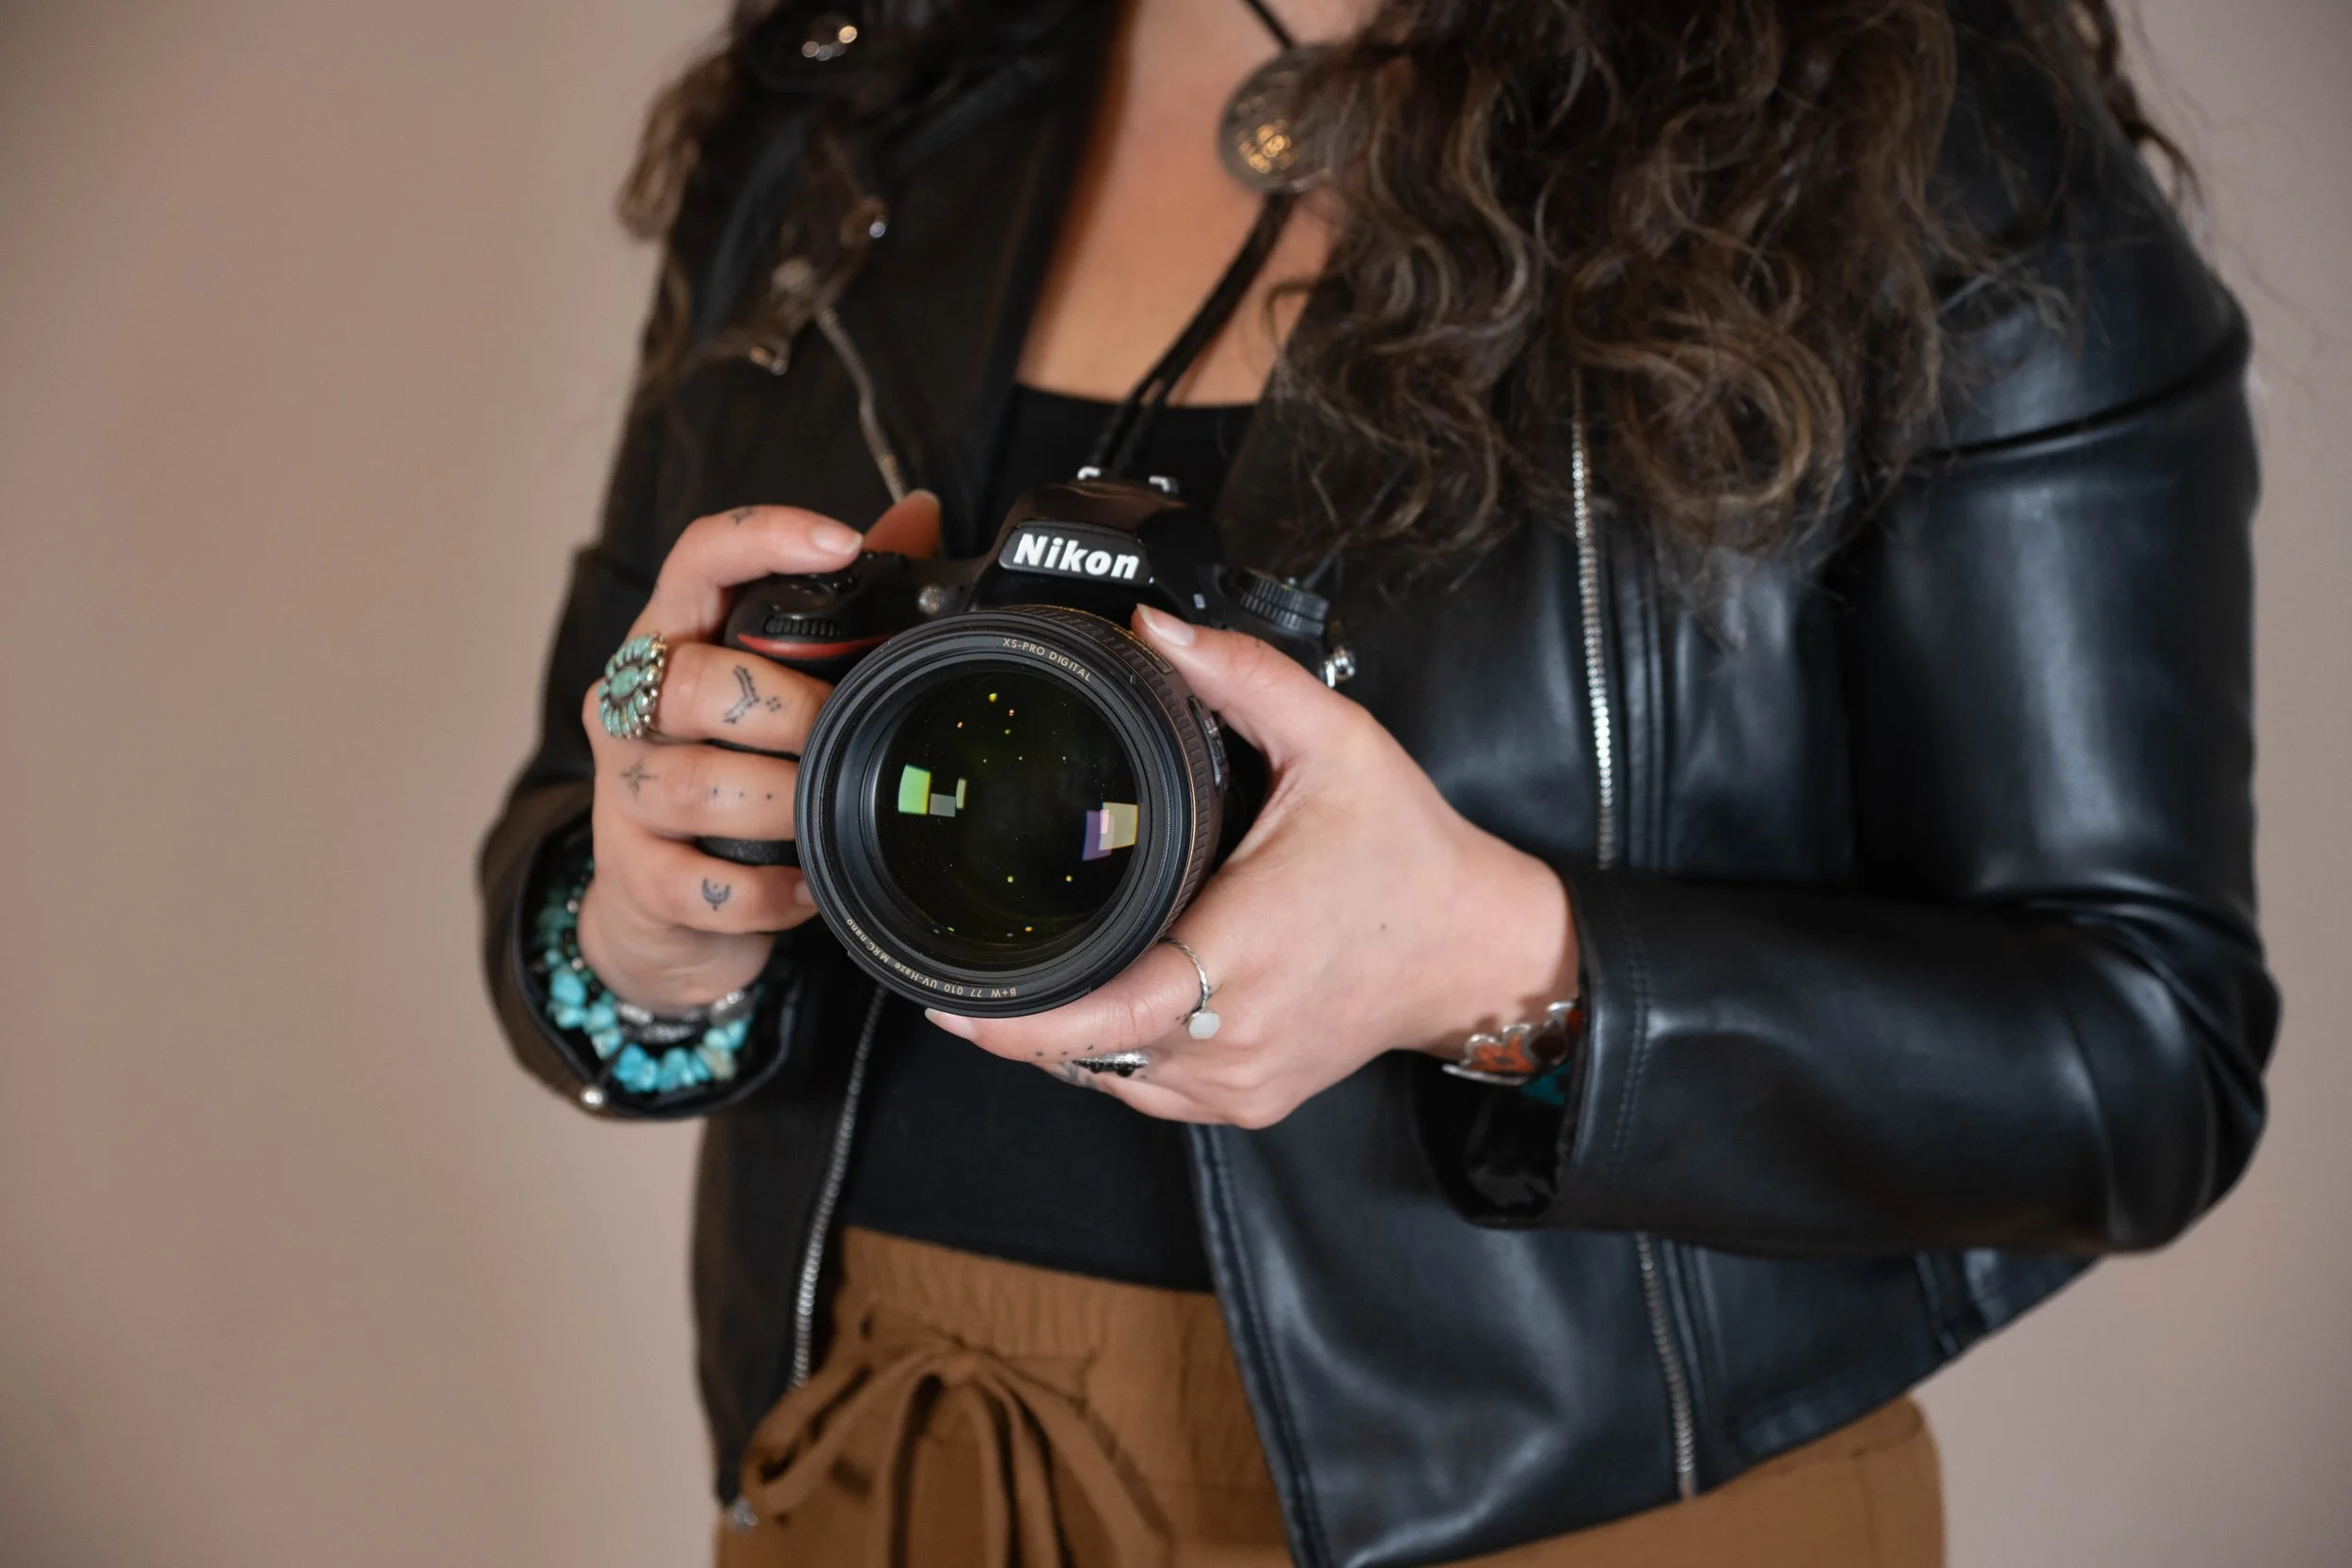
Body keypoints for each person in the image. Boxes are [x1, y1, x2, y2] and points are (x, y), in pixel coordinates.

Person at [478, 0, 2276, 1561]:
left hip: (1593, 1519)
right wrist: (649, 924)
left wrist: (1497, 965)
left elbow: (2144, 1051)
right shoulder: (856, 82)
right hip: (870, 1463)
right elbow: (590, 773)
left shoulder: (1919, 129)